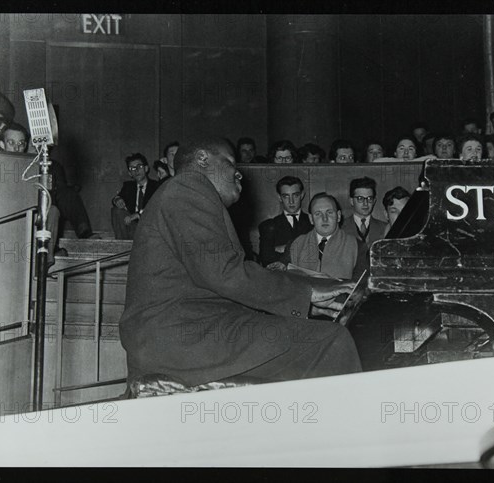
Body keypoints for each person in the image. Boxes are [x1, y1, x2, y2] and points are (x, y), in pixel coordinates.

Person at [119, 137, 362, 388]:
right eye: (232, 164)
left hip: (190, 329)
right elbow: (225, 274)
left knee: (310, 337)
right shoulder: (187, 188)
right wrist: (305, 293)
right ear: (203, 159)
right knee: (332, 340)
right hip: (182, 335)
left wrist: (303, 300)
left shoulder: (182, 195)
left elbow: (220, 277)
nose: (239, 175)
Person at [0, 122, 96, 265]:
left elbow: (56, 194)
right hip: (7, 214)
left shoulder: (38, 166)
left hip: (36, 209)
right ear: (1, 144)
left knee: (54, 209)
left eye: (21, 143)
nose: (17, 148)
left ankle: (46, 258)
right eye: (11, 143)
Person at [277, 193, 367, 280]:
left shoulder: (358, 247)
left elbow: (359, 288)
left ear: (338, 216)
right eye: (318, 214)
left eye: (329, 212)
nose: (324, 218)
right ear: (311, 219)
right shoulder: (295, 245)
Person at [258, 176, 313, 267]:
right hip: (281, 277)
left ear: (302, 195)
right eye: (286, 196)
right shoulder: (268, 226)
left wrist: (284, 248)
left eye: (295, 195)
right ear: (280, 197)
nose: (291, 201)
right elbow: (266, 259)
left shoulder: (313, 222)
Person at [111, 153, 160, 240]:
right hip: (132, 227)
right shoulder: (128, 186)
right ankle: (122, 246)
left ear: (146, 168)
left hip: (149, 228)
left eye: (139, 166)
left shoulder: (156, 186)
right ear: (130, 173)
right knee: (116, 210)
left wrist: (138, 214)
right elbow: (117, 198)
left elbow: (157, 207)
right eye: (132, 168)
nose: (136, 170)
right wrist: (117, 200)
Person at [342, 177, 388, 248]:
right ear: (351, 201)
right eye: (360, 198)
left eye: (369, 198)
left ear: (374, 201)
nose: (365, 203)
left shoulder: (385, 228)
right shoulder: (340, 228)